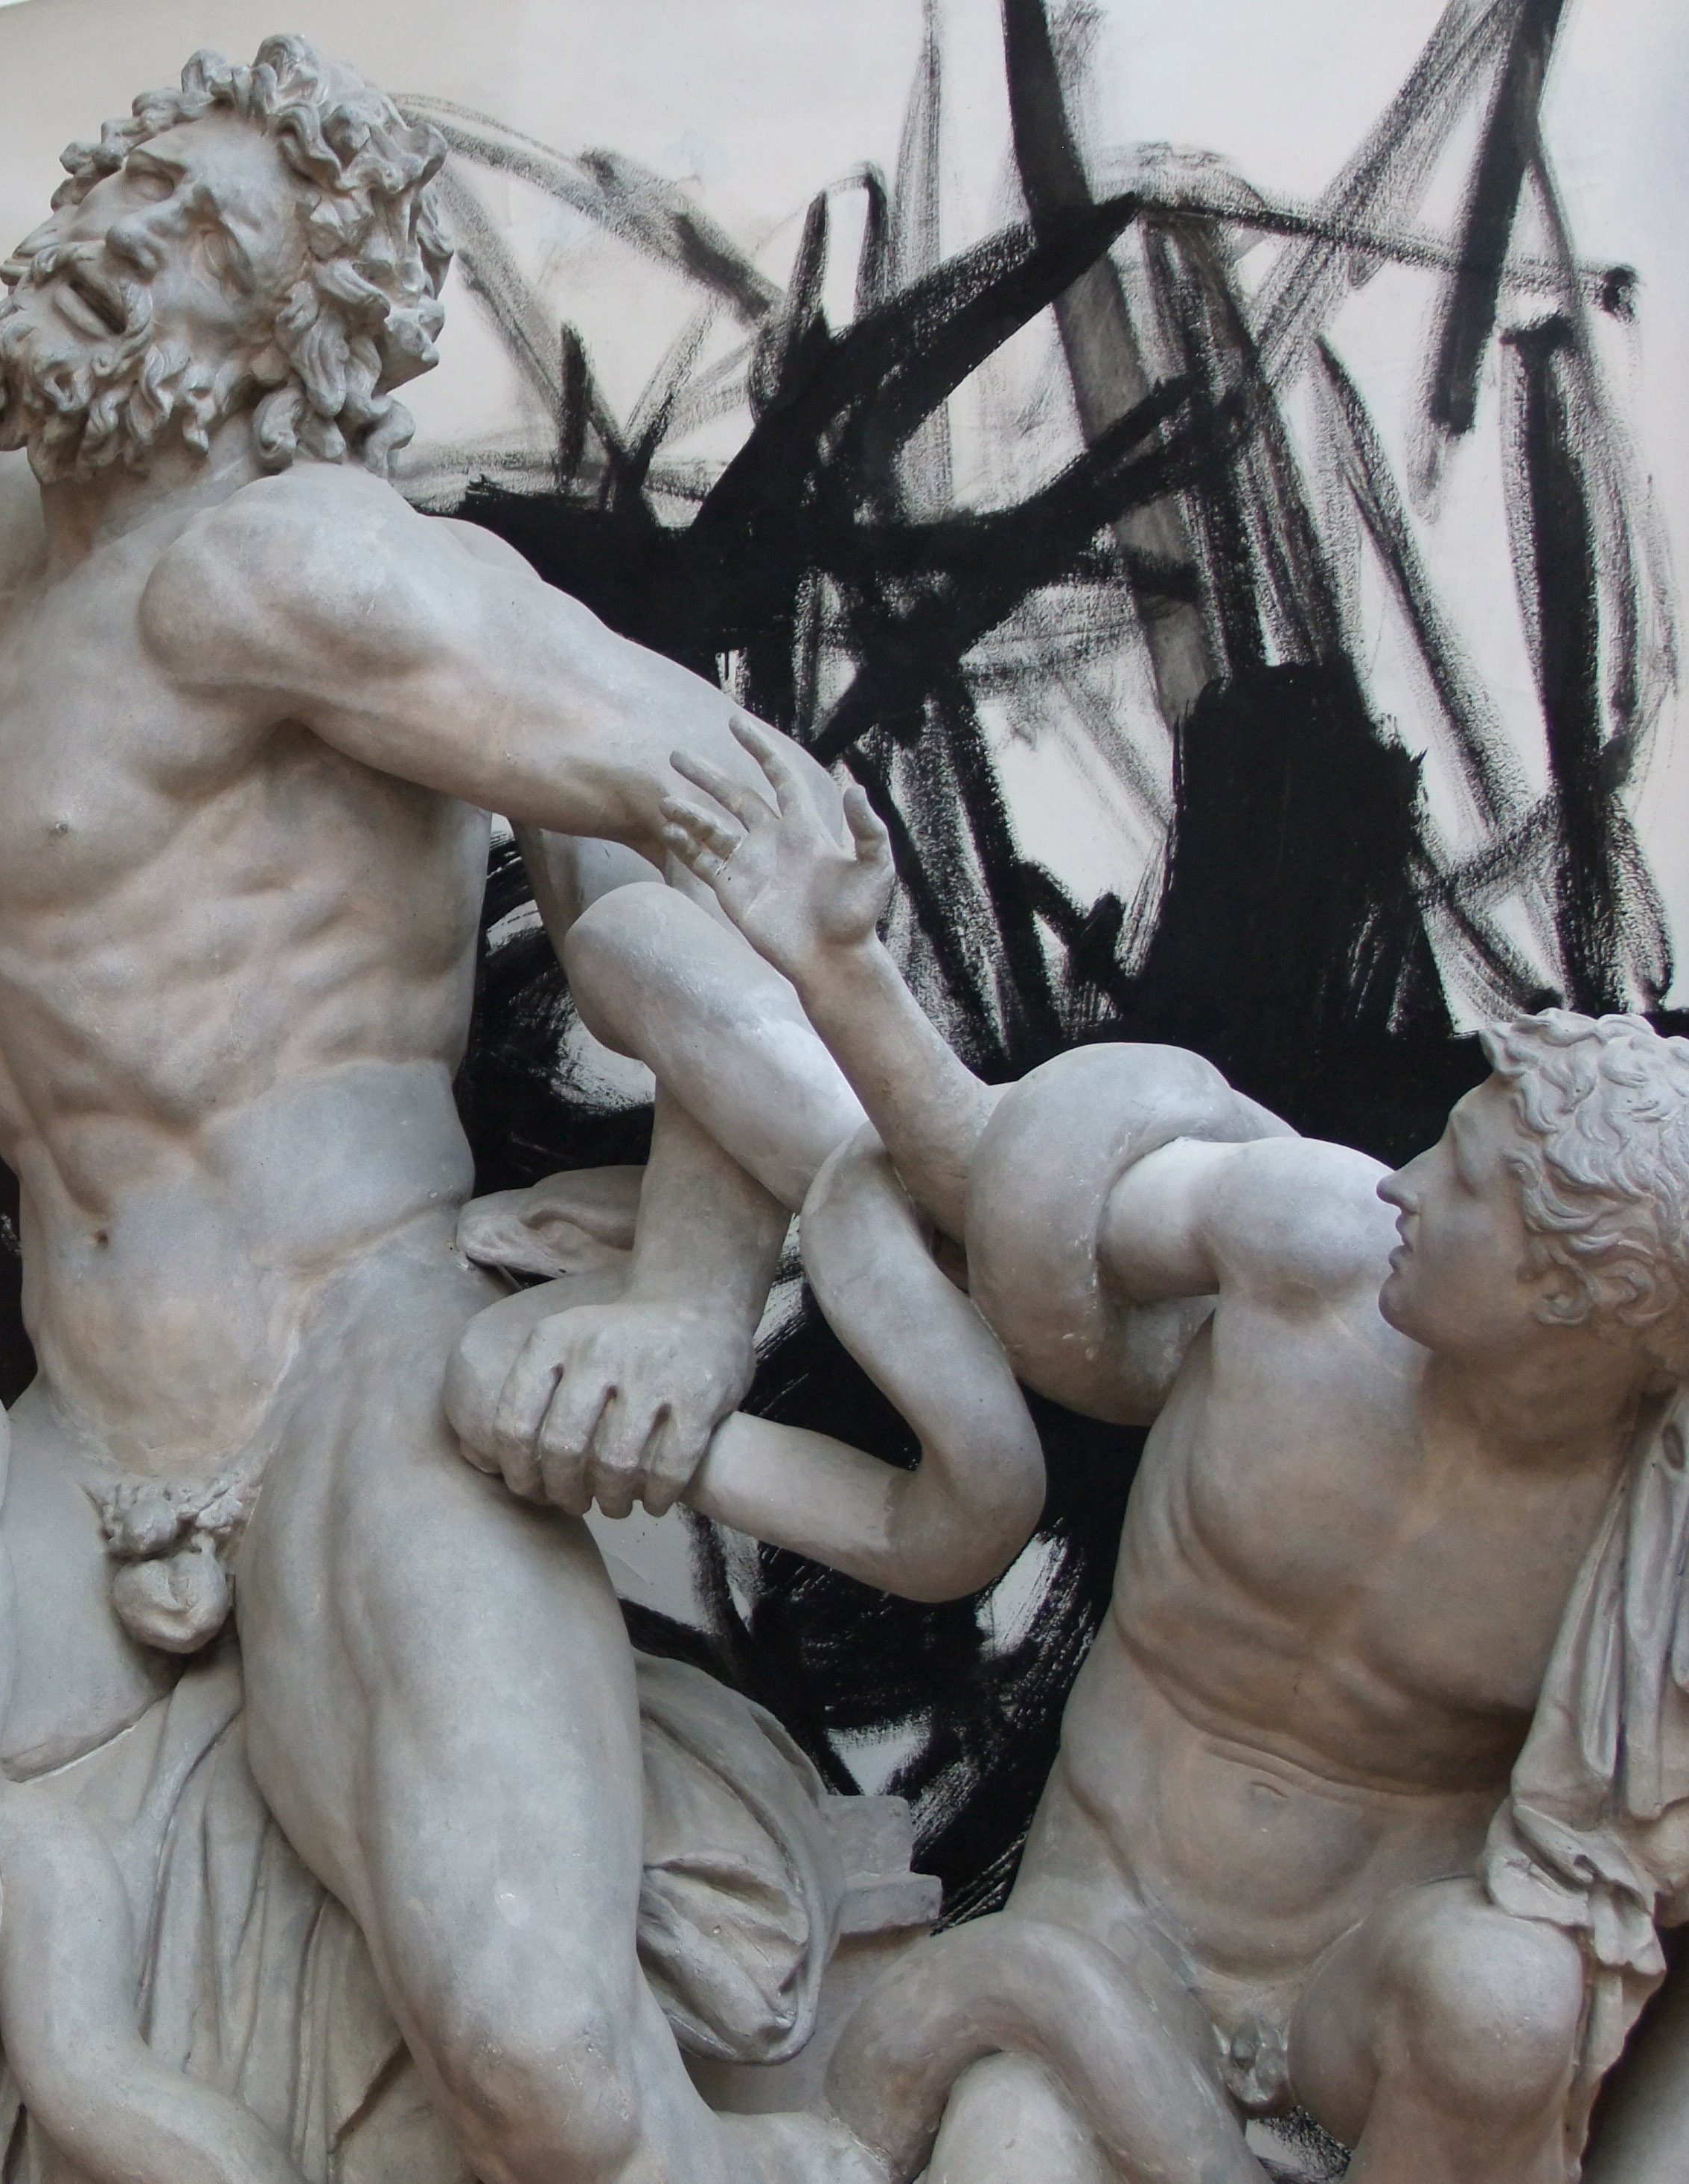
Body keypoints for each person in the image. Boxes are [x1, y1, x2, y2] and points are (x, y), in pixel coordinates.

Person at [0, 9, 882, 2183]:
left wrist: (687, 1302)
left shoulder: (303, 567)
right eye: (119, 184)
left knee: (546, 2073)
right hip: (64, 1445)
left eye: (197, 228)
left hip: (356, 1384)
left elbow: (746, 821)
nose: (120, 233)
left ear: (282, 336)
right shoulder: (9, 543)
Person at [660, 715, 1689, 2182]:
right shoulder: (1308, 1247)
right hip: (1113, 1928)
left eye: (1463, 1183)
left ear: (1570, 1301)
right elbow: (988, 1178)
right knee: (1008, 2154)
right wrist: (841, 968)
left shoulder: (1645, 1554)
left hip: (1352, 2013)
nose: (1406, 1181)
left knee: (1505, 1994)